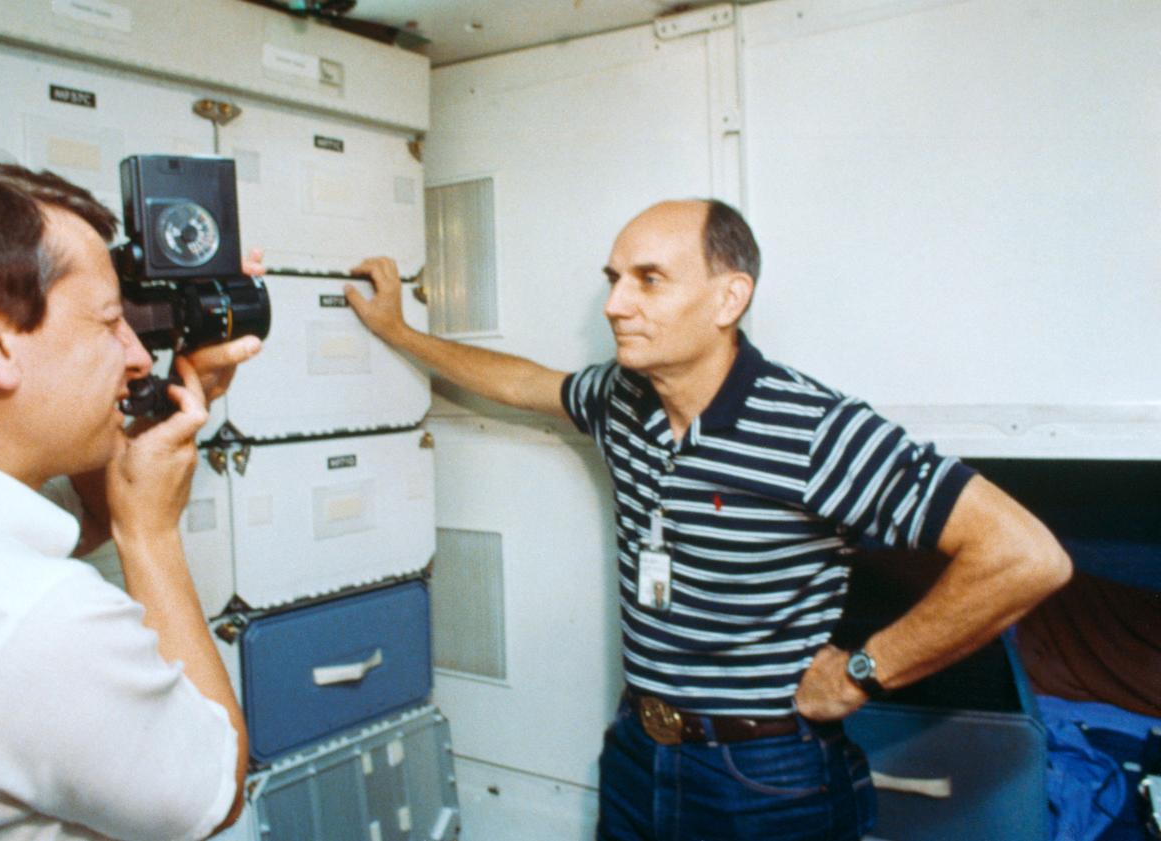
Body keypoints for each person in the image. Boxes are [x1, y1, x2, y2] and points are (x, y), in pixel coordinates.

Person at [345, 198, 1072, 841]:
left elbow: (1025, 554)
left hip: (764, 774)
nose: (615, 304)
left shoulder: (814, 427)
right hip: (639, 750)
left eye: (649, 279)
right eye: (613, 278)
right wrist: (401, 333)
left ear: (729, 298)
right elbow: (525, 381)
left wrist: (862, 671)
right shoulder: (619, 399)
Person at [0, 155, 260, 840]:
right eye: (109, 322)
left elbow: (57, 522)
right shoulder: (37, 617)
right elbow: (211, 791)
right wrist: (151, 535)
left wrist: (155, 410)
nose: (137, 356)